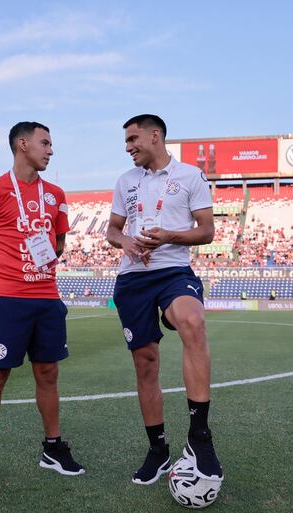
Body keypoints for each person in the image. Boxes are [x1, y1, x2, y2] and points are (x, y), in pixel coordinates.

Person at [0, 121, 83, 496]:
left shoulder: (57, 194)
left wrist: (39, 264)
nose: (50, 150)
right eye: (45, 143)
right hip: (8, 301)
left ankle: (52, 447)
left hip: (47, 299)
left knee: (48, 375)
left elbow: (59, 242)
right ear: (22, 144)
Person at [106, 114, 223, 486]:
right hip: (132, 280)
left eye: (133, 139)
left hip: (173, 272)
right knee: (146, 364)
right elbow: (112, 229)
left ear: (155, 136)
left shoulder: (190, 176)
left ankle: (200, 437)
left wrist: (168, 237)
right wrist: (126, 242)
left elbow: (207, 231)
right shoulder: (126, 181)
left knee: (192, 321)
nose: (128, 147)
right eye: (126, 142)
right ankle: (157, 451)